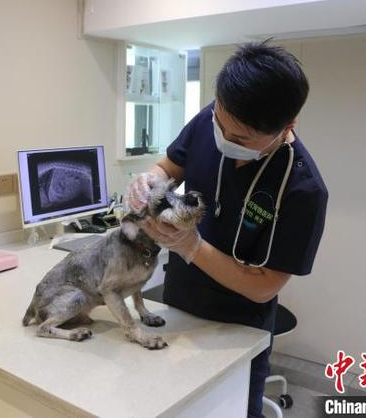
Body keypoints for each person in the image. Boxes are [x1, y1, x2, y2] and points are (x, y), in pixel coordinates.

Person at [127, 41, 328, 418]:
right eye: (221, 123)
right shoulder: (211, 119)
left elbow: (263, 285)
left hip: (238, 330)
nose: (224, 138)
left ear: (288, 127)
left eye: (240, 139)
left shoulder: (303, 190)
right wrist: (149, 179)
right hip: (179, 305)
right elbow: (170, 165)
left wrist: (191, 247)